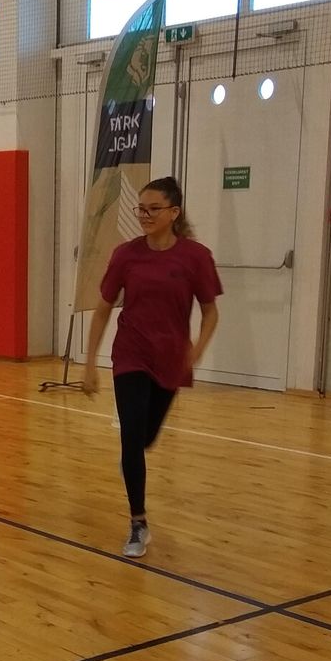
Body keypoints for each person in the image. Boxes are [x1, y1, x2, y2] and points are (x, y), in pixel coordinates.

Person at [82, 176, 221, 558]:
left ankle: (134, 458)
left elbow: (211, 312)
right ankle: (138, 523)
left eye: (153, 208)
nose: (144, 215)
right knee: (131, 437)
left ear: (174, 212)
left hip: (171, 358)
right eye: (140, 208)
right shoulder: (125, 255)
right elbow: (102, 310)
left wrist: (197, 350)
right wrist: (90, 364)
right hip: (130, 354)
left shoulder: (195, 257)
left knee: (145, 438)